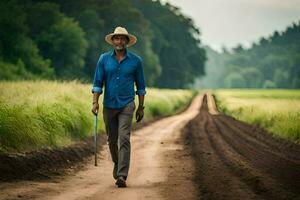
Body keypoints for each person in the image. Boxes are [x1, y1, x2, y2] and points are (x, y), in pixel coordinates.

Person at [91, 26, 146, 188]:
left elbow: (141, 86)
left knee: (124, 138)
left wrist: (141, 106)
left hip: (127, 104)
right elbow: (97, 83)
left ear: (127, 42)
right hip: (108, 104)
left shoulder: (136, 61)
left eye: (122, 38)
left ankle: (122, 175)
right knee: (111, 140)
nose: (119, 41)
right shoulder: (103, 59)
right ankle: (117, 162)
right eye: (117, 38)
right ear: (113, 41)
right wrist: (95, 102)